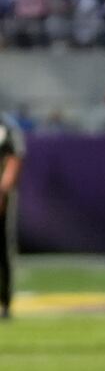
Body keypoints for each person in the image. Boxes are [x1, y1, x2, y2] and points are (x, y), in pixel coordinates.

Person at [0, 113, 24, 320]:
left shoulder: (6, 126)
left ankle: (5, 303)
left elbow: (15, 158)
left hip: (2, 199)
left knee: (3, 250)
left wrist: (2, 190)